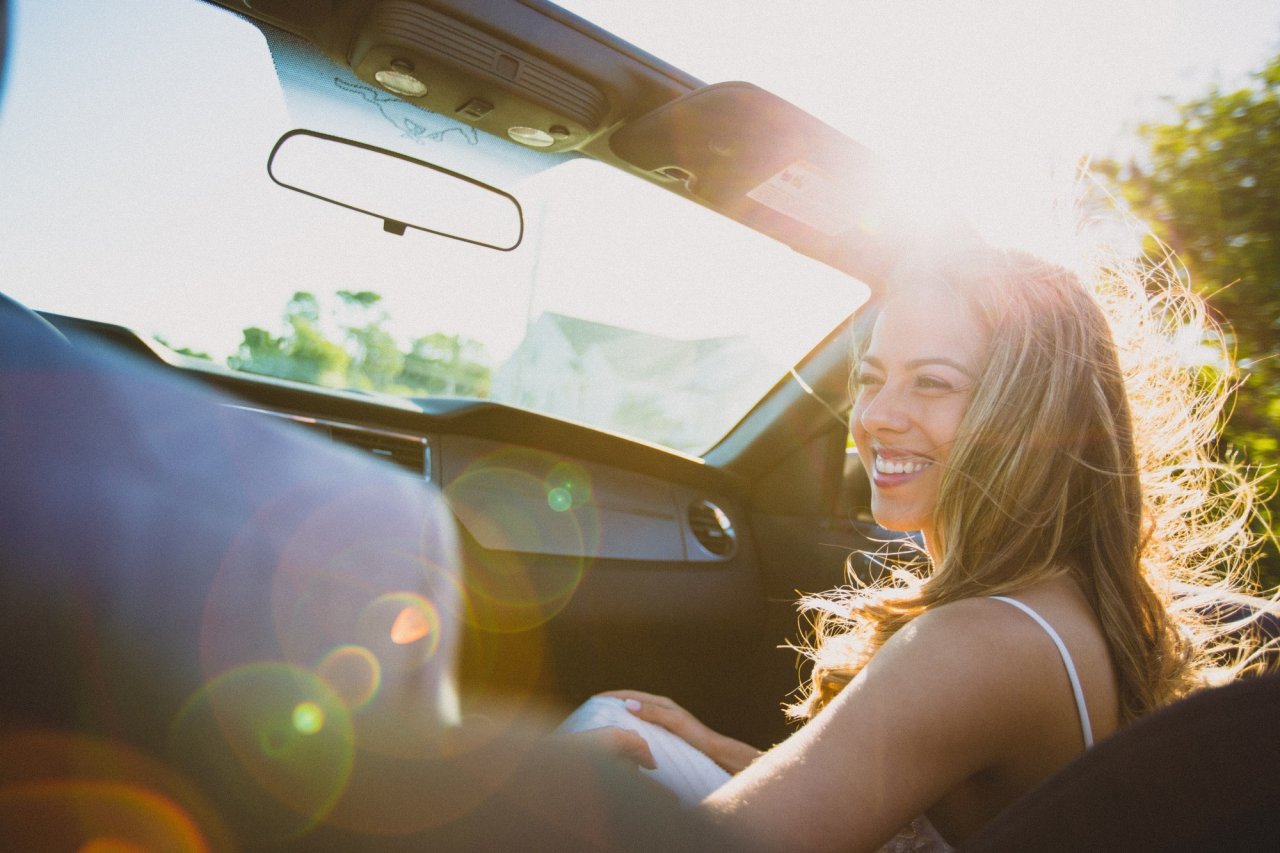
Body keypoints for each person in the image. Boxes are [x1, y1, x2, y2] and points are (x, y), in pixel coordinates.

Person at [587, 245, 1271, 851]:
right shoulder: (1062, 599)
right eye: (870, 377)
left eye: (932, 382)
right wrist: (728, 755)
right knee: (631, 723)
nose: (876, 415)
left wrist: (524, 787)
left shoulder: (975, 643)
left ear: (1030, 419)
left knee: (591, 737)